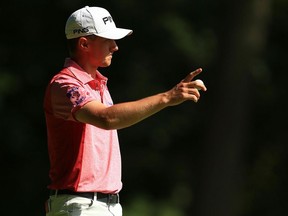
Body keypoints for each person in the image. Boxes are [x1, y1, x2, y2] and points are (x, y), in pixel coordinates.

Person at [44, 5, 207, 216]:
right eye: (107, 40)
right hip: (80, 205)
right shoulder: (64, 84)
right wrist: (166, 97)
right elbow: (106, 118)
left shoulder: (99, 84)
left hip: (107, 205)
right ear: (84, 43)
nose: (115, 47)